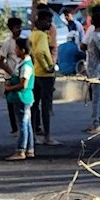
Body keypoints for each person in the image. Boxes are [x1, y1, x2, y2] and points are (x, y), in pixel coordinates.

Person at [28, 9, 59, 143]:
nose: (49, 24)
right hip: (45, 75)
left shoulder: (33, 34)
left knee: (34, 105)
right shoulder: (40, 35)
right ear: (40, 21)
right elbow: (40, 52)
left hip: (35, 73)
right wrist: (48, 67)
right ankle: (47, 136)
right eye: (47, 21)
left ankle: (33, 135)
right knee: (45, 106)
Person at [3, 38, 35, 160]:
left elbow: (23, 84)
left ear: (22, 50)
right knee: (27, 124)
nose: (15, 50)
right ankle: (29, 149)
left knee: (22, 124)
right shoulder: (23, 62)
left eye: (16, 48)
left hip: (22, 97)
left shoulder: (26, 66)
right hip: (23, 98)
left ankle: (21, 150)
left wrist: (10, 88)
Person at [83, 7, 100, 134]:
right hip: (97, 71)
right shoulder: (98, 37)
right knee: (98, 98)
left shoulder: (92, 35)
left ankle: (96, 121)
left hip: (93, 68)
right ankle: (95, 123)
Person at [0, 16, 24, 134]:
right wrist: (11, 73)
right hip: (11, 76)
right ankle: (14, 128)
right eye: (17, 27)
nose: (19, 30)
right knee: (11, 103)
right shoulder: (7, 43)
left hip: (22, 74)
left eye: (20, 27)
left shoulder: (23, 42)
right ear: (11, 29)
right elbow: (1, 62)